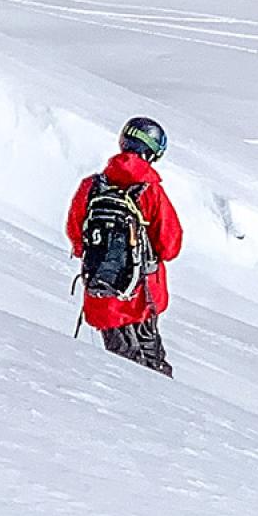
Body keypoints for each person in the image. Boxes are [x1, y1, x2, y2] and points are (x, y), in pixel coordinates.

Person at [66, 116, 184, 376]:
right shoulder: (150, 191)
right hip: (143, 296)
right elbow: (170, 245)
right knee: (151, 368)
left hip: (102, 296)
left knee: (123, 372)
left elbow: (76, 236)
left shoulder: (92, 186)